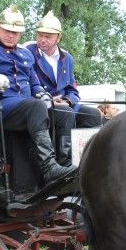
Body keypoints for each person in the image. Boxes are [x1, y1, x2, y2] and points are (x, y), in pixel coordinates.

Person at [0, 5, 76, 183]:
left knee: (64, 113)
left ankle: (64, 167)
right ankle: (49, 168)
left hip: (23, 107)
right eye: (7, 30)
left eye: (16, 32)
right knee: (35, 106)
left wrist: (42, 94)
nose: (11, 35)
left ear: (21, 34)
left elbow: (34, 82)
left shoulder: (24, 53)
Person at [25, 11, 103, 165]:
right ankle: (64, 163)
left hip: (63, 105)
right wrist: (49, 100)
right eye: (40, 35)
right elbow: (27, 84)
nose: (42, 39)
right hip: (40, 105)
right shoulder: (27, 52)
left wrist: (68, 100)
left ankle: (89, 161)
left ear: (58, 38)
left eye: (48, 36)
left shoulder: (67, 58)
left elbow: (73, 89)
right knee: (65, 113)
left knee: (93, 114)